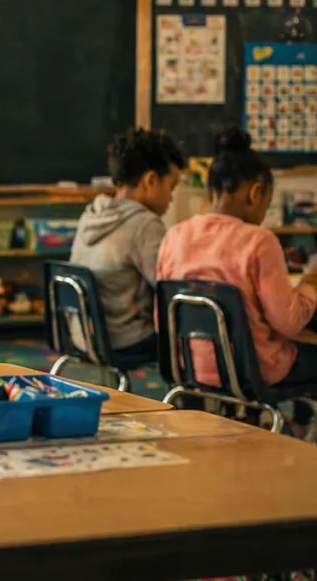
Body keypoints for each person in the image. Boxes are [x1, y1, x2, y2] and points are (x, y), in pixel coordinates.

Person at [156, 127, 317, 437]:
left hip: (189, 367)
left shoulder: (174, 236)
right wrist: (310, 284)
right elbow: (290, 322)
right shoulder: (259, 241)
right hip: (252, 371)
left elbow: (162, 318)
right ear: (255, 193)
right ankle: (302, 443)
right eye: (266, 205)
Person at [69, 127, 185, 369]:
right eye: (171, 188)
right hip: (125, 341)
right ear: (150, 181)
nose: (171, 199)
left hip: (82, 335)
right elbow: (172, 287)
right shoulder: (144, 224)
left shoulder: (92, 213)